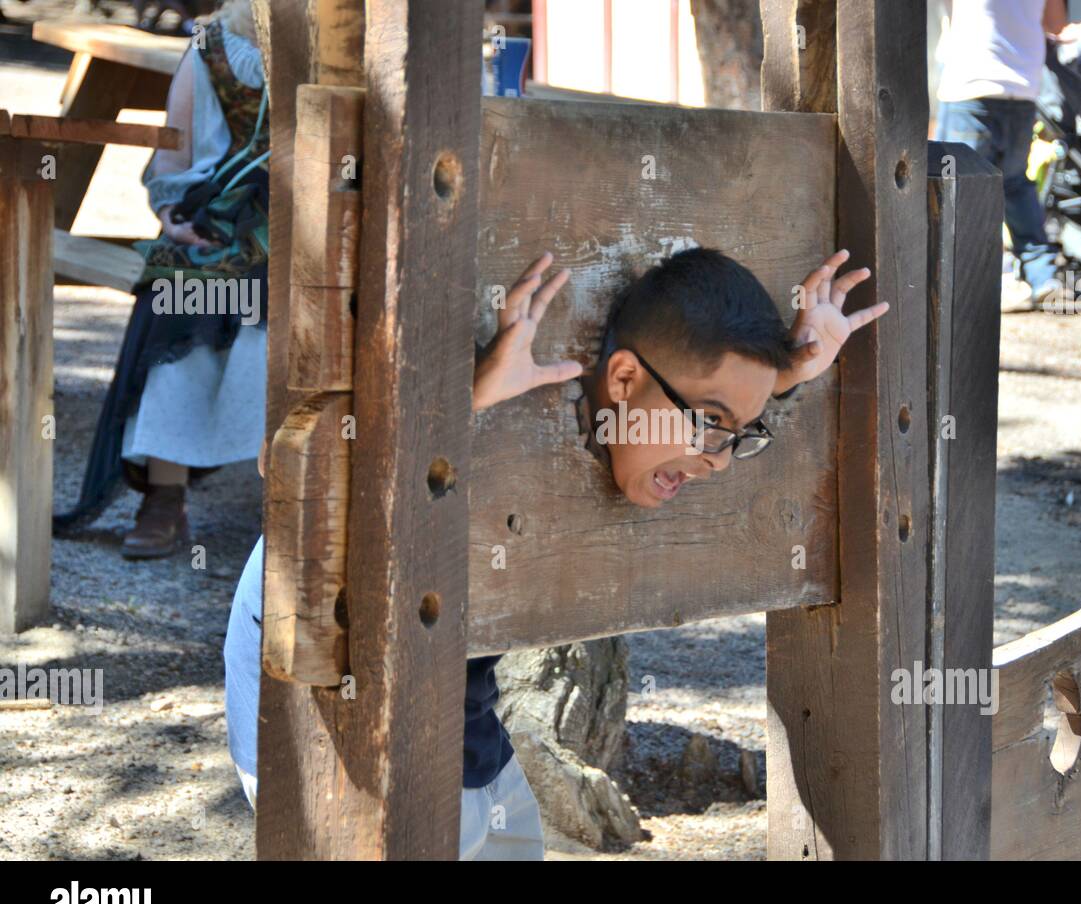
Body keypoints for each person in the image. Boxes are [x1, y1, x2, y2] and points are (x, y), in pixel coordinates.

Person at [225, 246, 889, 859]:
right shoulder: (504, 422)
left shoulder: (649, 421)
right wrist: (469, 396)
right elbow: (300, 477)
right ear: (623, 377)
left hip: (459, 704)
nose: (718, 462)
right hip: (327, 674)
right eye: (712, 421)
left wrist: (786, 379)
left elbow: (693, 409)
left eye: (737, 433)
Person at [54, 0, 269, 559]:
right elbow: (175, 151)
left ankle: (305, 496)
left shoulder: (356, 39)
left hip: (328, 223)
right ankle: (165, 492)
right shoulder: (215, 45)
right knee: (182, 293)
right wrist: (177, 215)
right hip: (226, 223)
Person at [934, 0, 1069, 312]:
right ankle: (1040, 273)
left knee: (958, 191)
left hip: (971, 86)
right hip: (1022, 90)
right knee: (1016, 184)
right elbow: (1056, 24)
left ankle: (979, 280)